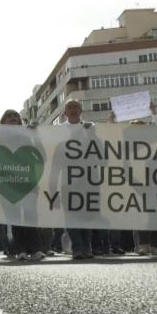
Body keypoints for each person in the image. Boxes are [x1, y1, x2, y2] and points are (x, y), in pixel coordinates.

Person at [0, 109, 47, 262]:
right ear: (3, 121)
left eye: (15, 116)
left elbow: (42, 155)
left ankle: (35, 249)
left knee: (30, 214)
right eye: (9, 116)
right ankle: (20, 249)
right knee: (15, 217)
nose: (13, 118)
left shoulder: (28, 134)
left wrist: (36, 134)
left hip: (29, 180)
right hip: (9, 182)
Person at [61, 99, 95, 260]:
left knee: (87, 215)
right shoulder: (58, 130)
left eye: (76, 107)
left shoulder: (90, 128)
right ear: (65, 112)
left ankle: (87, 247)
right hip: (67, 180)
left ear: (81, 110)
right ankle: (77, 248)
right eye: (70, 107)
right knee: (72, 216)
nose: (73, 109)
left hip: (87, 179)